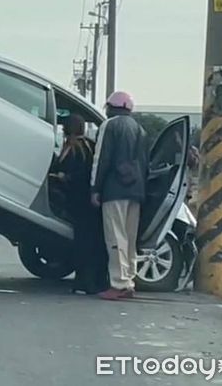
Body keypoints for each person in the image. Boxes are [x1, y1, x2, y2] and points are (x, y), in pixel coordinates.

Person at [90, 91, 148, 301]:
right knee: (130, 239)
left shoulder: (110, 125)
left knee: (115, 238)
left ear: (111, 107)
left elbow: (101, 158)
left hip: (114, 189)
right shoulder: (140, 129)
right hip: (136, 191)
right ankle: (129, 281)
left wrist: (95, 189)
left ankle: (118, 284)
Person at [50, 114, 109, 295]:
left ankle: (86, 282)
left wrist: (63, 177)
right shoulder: (88, 146)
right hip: (87, 204)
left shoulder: (78, 148)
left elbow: (81, 175)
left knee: (84, 244)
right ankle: (87, 282)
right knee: (88, 244)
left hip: (82, 204)